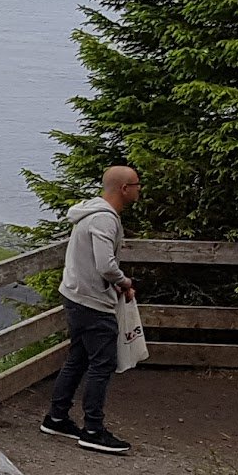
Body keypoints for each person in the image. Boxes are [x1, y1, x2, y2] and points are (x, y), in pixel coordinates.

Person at [41, 165, 140, 453]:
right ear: (124, 189)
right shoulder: (105, 221)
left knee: (79, 357)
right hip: (93, 301)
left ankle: (57, 417)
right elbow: (106, 265)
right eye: (136, 184)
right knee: (102, 364)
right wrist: (124, 281)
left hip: (74, 296)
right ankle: (93, 429)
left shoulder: (89, 214)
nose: (139, 189)